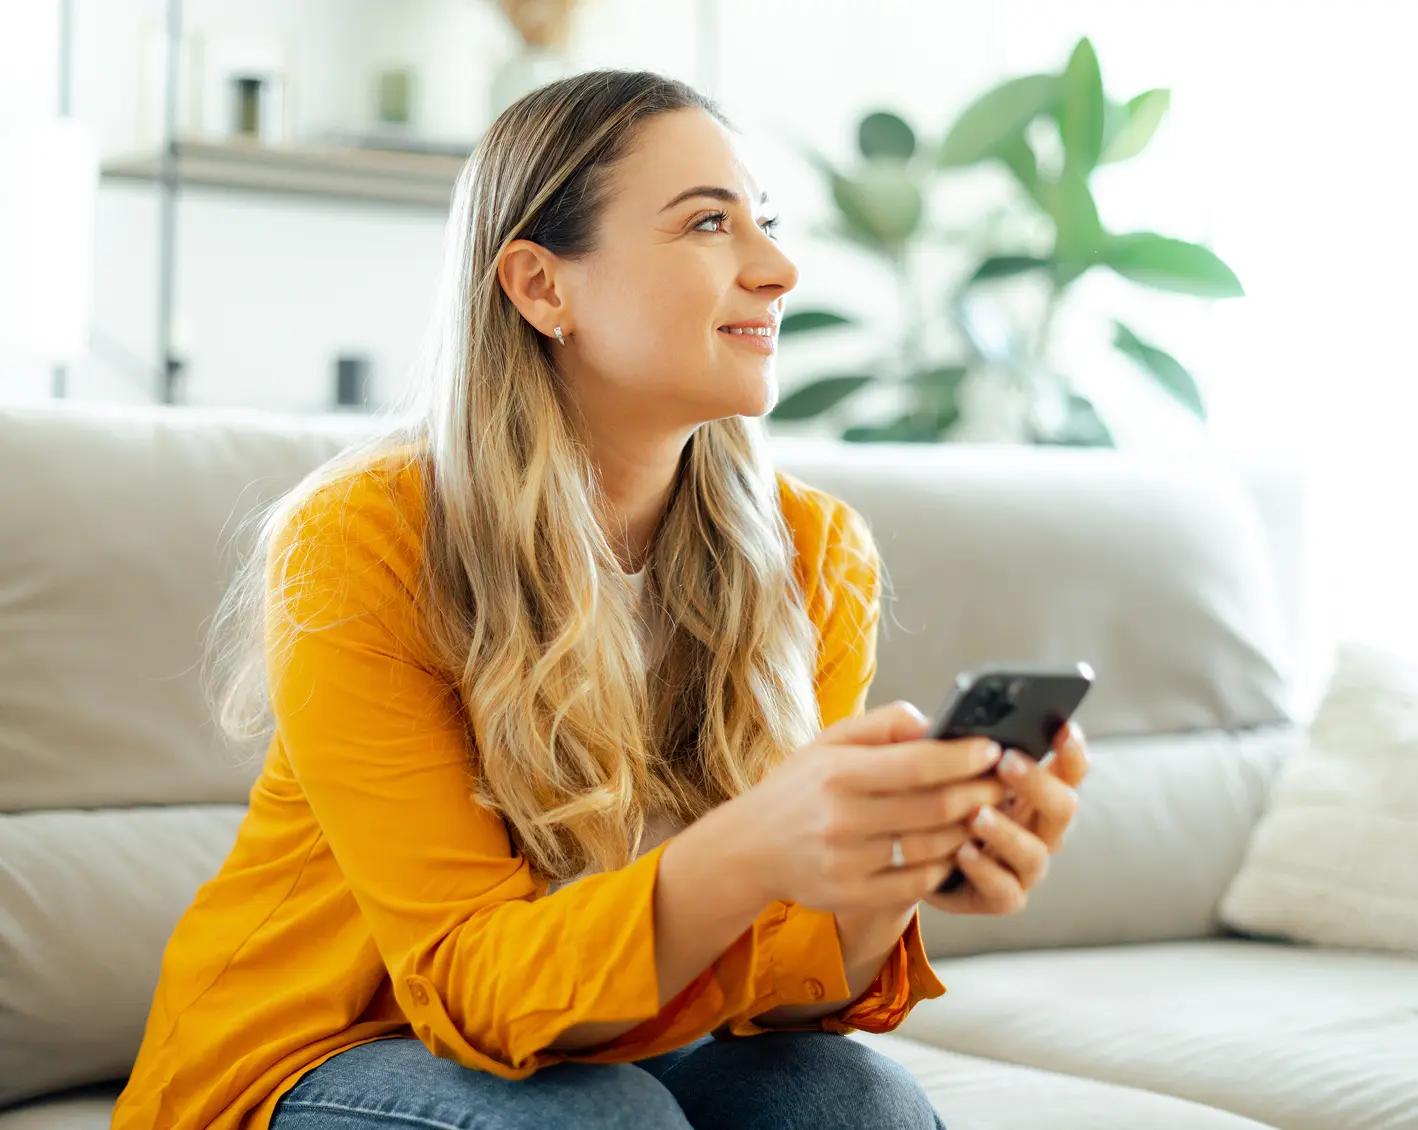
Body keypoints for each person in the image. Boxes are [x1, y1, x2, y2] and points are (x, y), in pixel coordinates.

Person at [111, 69, 1089, 1130]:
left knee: (847, 1100)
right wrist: (752, 842)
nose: (776, 267)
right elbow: (467, 985)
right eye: (708, 223)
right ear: (540, 286)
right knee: (596, 1119)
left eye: (761, 220)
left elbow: (781, 990)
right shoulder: (363, 538)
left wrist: (896, 868)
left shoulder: (814, 552)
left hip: (630, 1042)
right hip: (322, 1057)